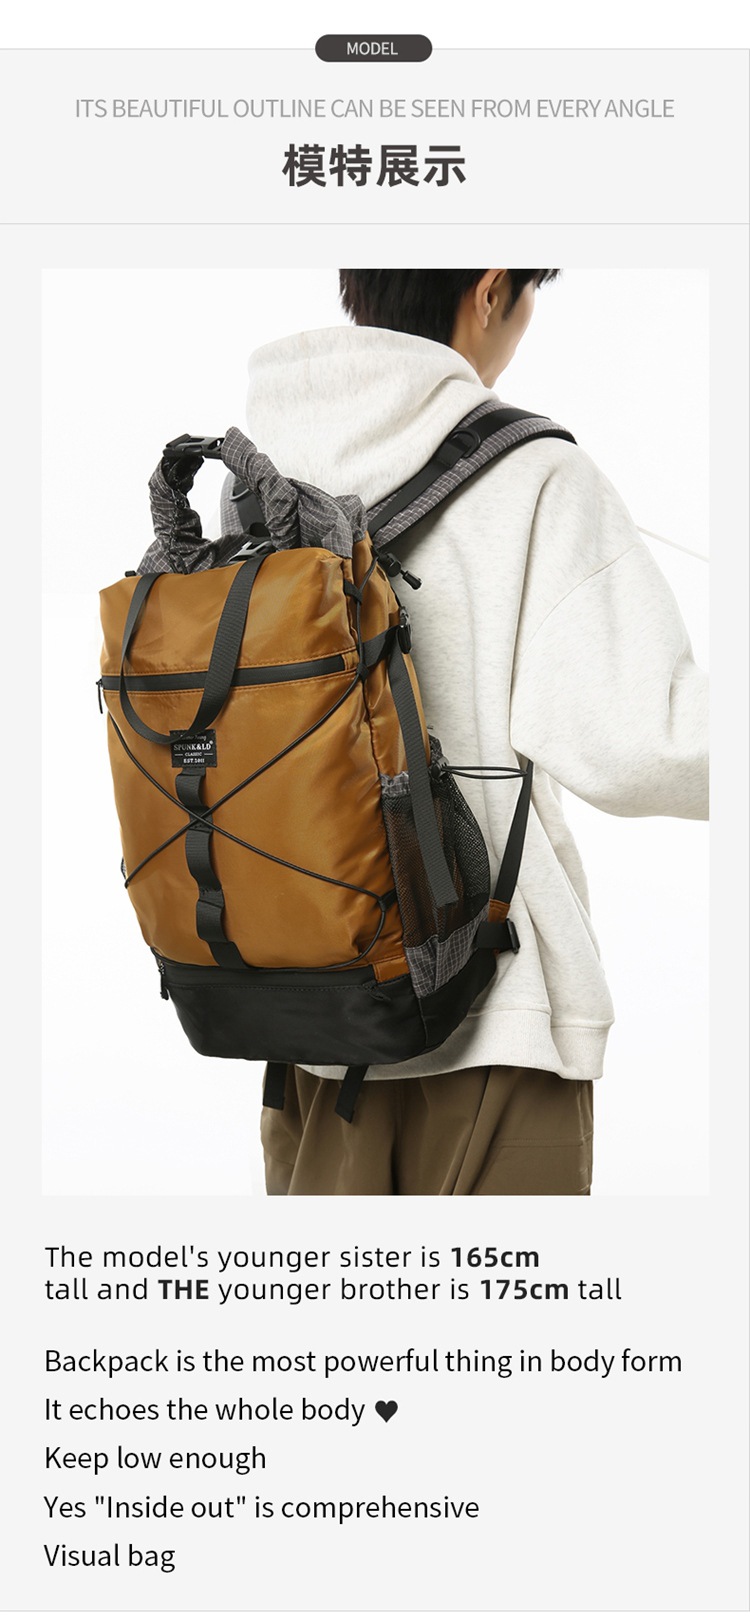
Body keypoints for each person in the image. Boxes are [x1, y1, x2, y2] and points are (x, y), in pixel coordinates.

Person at [242, 268, 708, 1197]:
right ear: (491, 289)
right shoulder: (537, 473)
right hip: (488, 1011)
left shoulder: (260, 474)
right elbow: (645, 742)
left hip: (308, 1023)